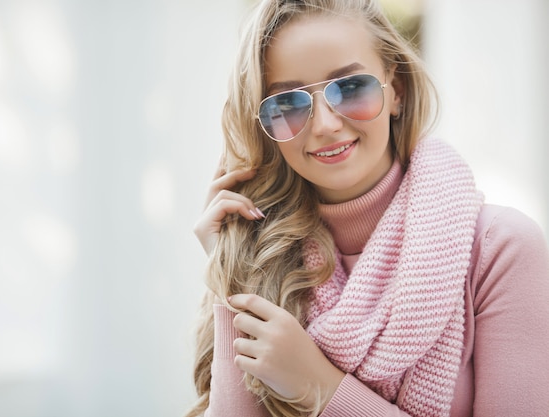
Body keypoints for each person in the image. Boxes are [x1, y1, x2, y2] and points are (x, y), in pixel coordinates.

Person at [186, 0, 549, 416]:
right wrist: (235, 269)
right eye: (288, 105)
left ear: (397, 90)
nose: (324, 124)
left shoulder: (500, 249)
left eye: (351, 88)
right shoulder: (264, 259)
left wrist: (318, 385)